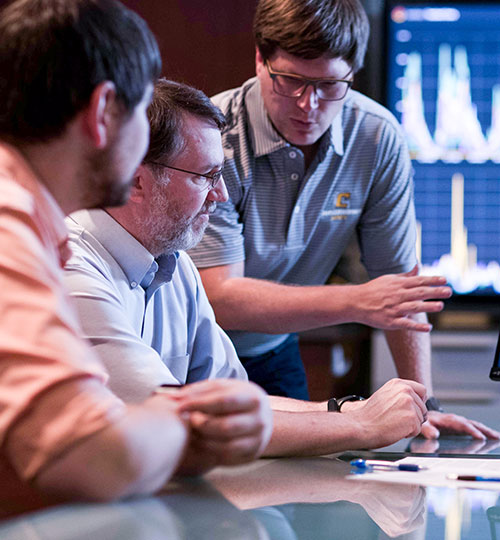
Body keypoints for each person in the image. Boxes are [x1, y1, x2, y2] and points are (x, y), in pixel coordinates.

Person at [0, 0, 271, 513]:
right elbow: (88, 457)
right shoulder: (7, 218)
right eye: (141, 114)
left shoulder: (34, 223)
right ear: (104, 113)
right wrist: (189, 422)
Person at [187, 0, 500, 440]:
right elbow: (218, 298)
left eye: (330, 85)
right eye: (290, 80)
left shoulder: (376, 136)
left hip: (275, 350)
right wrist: (358, 302)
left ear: (352, 73)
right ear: (259, 60)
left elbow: (398, 285)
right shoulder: (214, 138)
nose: (308, 104)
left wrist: (423, 406)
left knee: (295, 494)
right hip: (193, 355)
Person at [64, 78, 430, 456]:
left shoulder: (175, 266)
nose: (220, 195)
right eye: (206, 176)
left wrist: (346, 409)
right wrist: (362, 426)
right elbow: (180, 424)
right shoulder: (71, 272)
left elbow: (238, 402)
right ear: (137, 181)